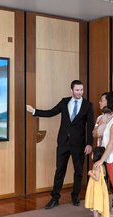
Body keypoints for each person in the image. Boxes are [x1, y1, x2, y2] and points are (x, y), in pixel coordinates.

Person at [26, 80, 95, 209]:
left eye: (81, 90)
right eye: (77, 90)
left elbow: (90, 125)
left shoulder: (87, 105)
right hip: (63, 143)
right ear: (71, 90)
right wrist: (34, 111)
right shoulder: (64, 102)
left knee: (78, 171)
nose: (80, 92)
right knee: (59, 170)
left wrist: (89, 143)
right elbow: (51, 112)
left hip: (79, 144)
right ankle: (55, 198)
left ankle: (75, 196)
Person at [92, 92, 113, 217]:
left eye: (102, 100)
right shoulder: (99, 118)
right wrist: (102, 123)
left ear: (108, 102)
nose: (99, 102)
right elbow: (95, 134)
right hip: (100, 153)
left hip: (112, 154)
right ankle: (102, 206)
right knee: (101, 180)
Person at [85, 147, 110, 217]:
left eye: (93, 153)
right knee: (98, 205)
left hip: (97, 189)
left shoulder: (96, 165)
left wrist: (90, 173)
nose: (91, 154)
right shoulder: (102, 165)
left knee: (95, 208)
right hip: (99, 188)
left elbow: (97, 178)